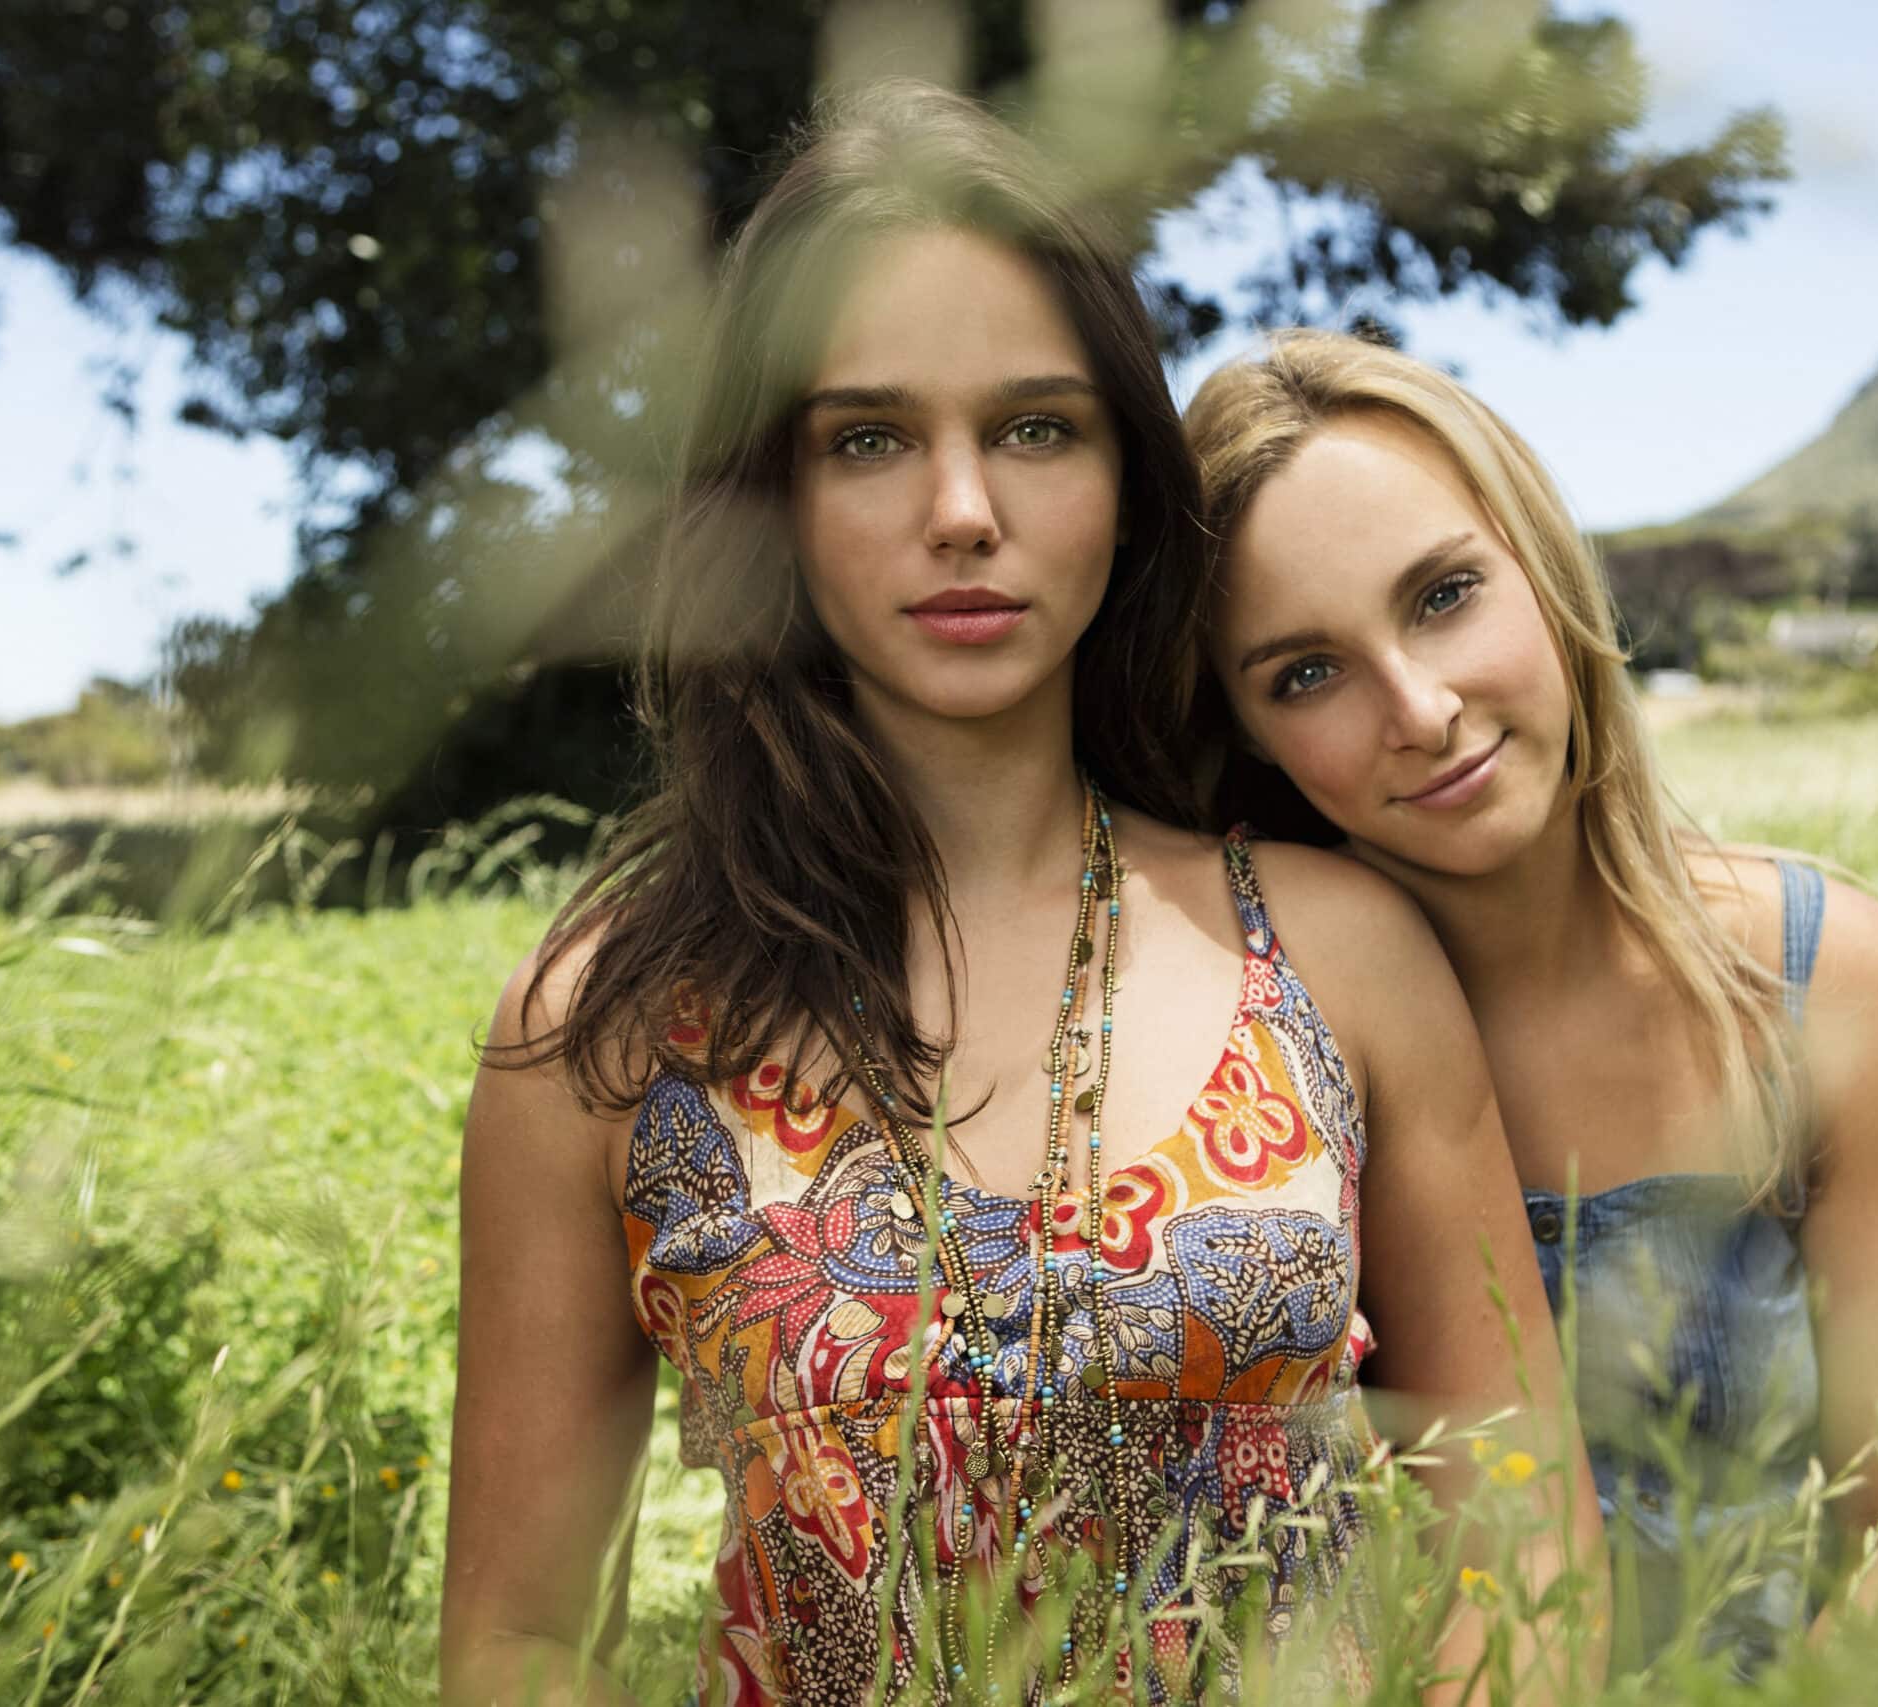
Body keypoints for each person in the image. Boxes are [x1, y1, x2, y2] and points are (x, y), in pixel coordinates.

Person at [439, 91, 1593, 1707]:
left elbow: (1522, 1540)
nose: (963, 510)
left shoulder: (1333, 954)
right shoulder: (603, 1029)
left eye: (1037, 427)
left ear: (1125, 480)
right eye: (869, 439)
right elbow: (516, 1644)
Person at [1181, 326, 1878, 1704]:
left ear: (1543, 569)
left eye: (1447, 594)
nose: (1423, 706)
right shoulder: (1264, 1053)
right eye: (1306, 673)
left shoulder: (1825, 979)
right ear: (1245, 730)